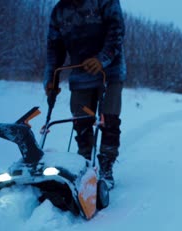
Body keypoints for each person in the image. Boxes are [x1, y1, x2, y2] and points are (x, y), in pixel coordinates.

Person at [44, 0, 126, 189]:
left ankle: (105, 169)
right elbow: (54, 49)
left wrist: (101, 59)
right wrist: (51, 79)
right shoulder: (59, 12)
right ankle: (84, 165)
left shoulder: (106, 2)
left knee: (109, 119)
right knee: (81, 121)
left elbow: (117, 33)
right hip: (80, 73)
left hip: (110, 72)